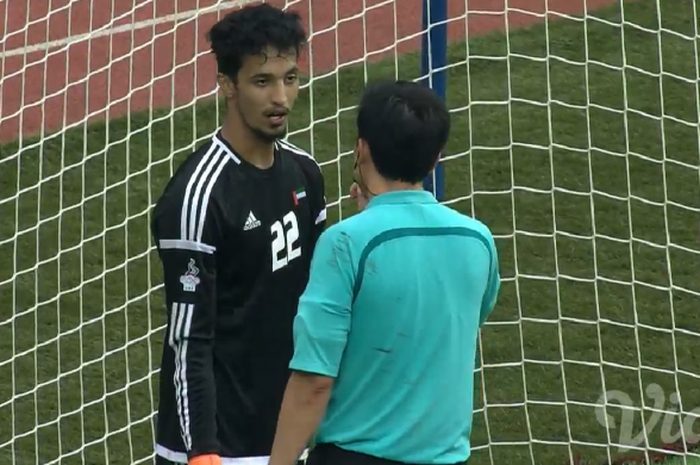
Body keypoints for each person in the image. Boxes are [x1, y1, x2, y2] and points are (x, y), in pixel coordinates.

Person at [266, 79, 501, 465]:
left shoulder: (344, 243)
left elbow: (314, 380)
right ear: (436, 157)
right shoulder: (477, 239)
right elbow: (449, 319)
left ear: (362, 149)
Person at [150, 4, 326, 465]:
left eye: (290, 78)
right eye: (262, 81)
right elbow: (190, 338)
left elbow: (317, 300)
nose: (281, 99)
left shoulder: (305, 174)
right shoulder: (198, 196)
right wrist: (202, 452)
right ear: (227, 85)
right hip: (216, 448)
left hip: (287, 438)